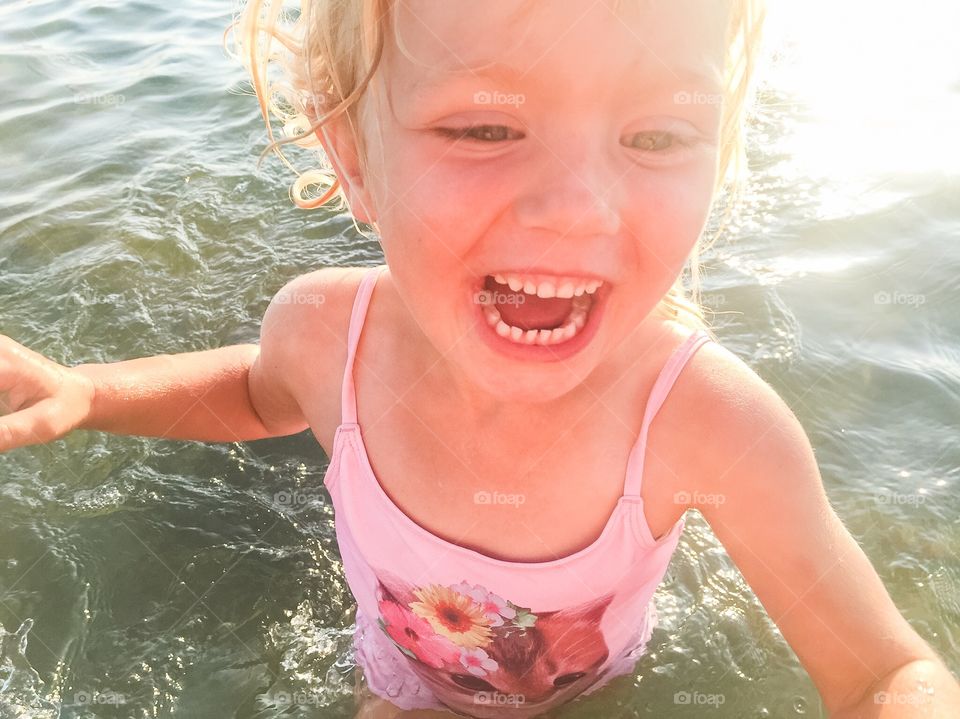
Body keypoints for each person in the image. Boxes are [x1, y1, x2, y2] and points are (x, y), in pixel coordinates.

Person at [2, 0, 959, 716]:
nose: (577, 207)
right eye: (486, 128)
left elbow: (883, 669)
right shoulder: (329, 335)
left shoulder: (702, 421)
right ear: (353, 158)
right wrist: (89, 392)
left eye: (658, 135)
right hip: (397, 682)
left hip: (594, 695)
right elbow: (256, 393)